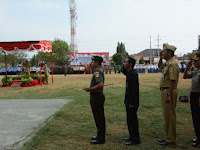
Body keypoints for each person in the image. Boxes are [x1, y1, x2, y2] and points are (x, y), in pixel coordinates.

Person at [157, 43, 179, 146]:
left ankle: (171, 139)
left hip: (169, 90)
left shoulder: (173, 64)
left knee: (170, 116)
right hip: (165, 90)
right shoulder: (167, 63)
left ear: (169, 53)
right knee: (166, 115)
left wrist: (169, 94)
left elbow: (173, 81)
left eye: (164, 52)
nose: (162, 53)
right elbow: (160, 66)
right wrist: (161, 57)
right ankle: (168, 137)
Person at [83, 56, 106, 144]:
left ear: (96, 63)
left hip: (97, 97)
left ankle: (100, 139)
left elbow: (100, 84)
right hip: (97, 96)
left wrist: (91, 89)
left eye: (92, 62)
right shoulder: (98, 70)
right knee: (98, 117)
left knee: (99, 118)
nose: (91, 63)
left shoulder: (98, 72)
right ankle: (99, 136)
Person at [183, 53, 200, 147]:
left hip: (198, 96)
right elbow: (185, 76)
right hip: (193, 95)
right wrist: (187, 67)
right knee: (195, 117)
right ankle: (198, 137)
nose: (194, 62)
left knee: (198, 117)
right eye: (194, 61)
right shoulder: (195, 71)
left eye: (196, 61)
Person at [122, 57, 140, 146]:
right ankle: (131, 136)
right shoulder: (129, 73)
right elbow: (123, 71)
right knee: (129, 120)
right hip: (129, 100)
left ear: (131, 64)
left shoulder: (133, 74)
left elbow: (133, 90)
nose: (124, 63)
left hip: (132, 101)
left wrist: (132, 103)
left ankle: (135, 139)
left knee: (133, 120)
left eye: (125, 62)